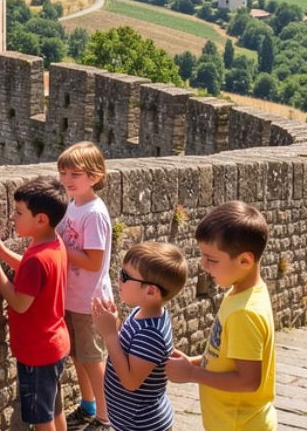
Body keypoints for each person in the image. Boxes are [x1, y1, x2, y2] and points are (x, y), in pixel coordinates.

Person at [166, 201, 276, 431]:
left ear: (245, 261)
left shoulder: (244, 312)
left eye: (212, 259)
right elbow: (224, 358)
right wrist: (193, 362)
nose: (203, 265)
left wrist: (192, 373)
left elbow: (248, 381)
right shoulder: (240, 294)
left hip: (239, 425)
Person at [0, 176, 71, 431]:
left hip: (37, 352)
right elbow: (34, 275)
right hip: (55, 343)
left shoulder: (37, 259)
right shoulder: (54, 244)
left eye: (19, 213)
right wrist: (2, 251)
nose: (12, 217)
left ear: (41, 219)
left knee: (42, 419)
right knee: (55, 407)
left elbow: (20, 303)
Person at [92, 242, 188, 431]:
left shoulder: (151, 334)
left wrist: (110, 335)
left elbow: (130, 382)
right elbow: (126, 350)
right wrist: (112, 326)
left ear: (151, 291)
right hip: (128, 420)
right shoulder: (140, 311)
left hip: (142, 425)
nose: (119, 279)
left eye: (125, 276)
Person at [55, 141, 114, 430]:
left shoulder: (94, 213)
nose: (67, 179)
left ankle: (105, 417)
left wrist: (60, 248)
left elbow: (93, 261)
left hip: (90, 301)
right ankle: (89, 406)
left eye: (75, 174)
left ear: (95, 176)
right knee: (79, 357)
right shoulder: (72, 205)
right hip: (72, 297)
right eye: (63, 173)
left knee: (93, 359)